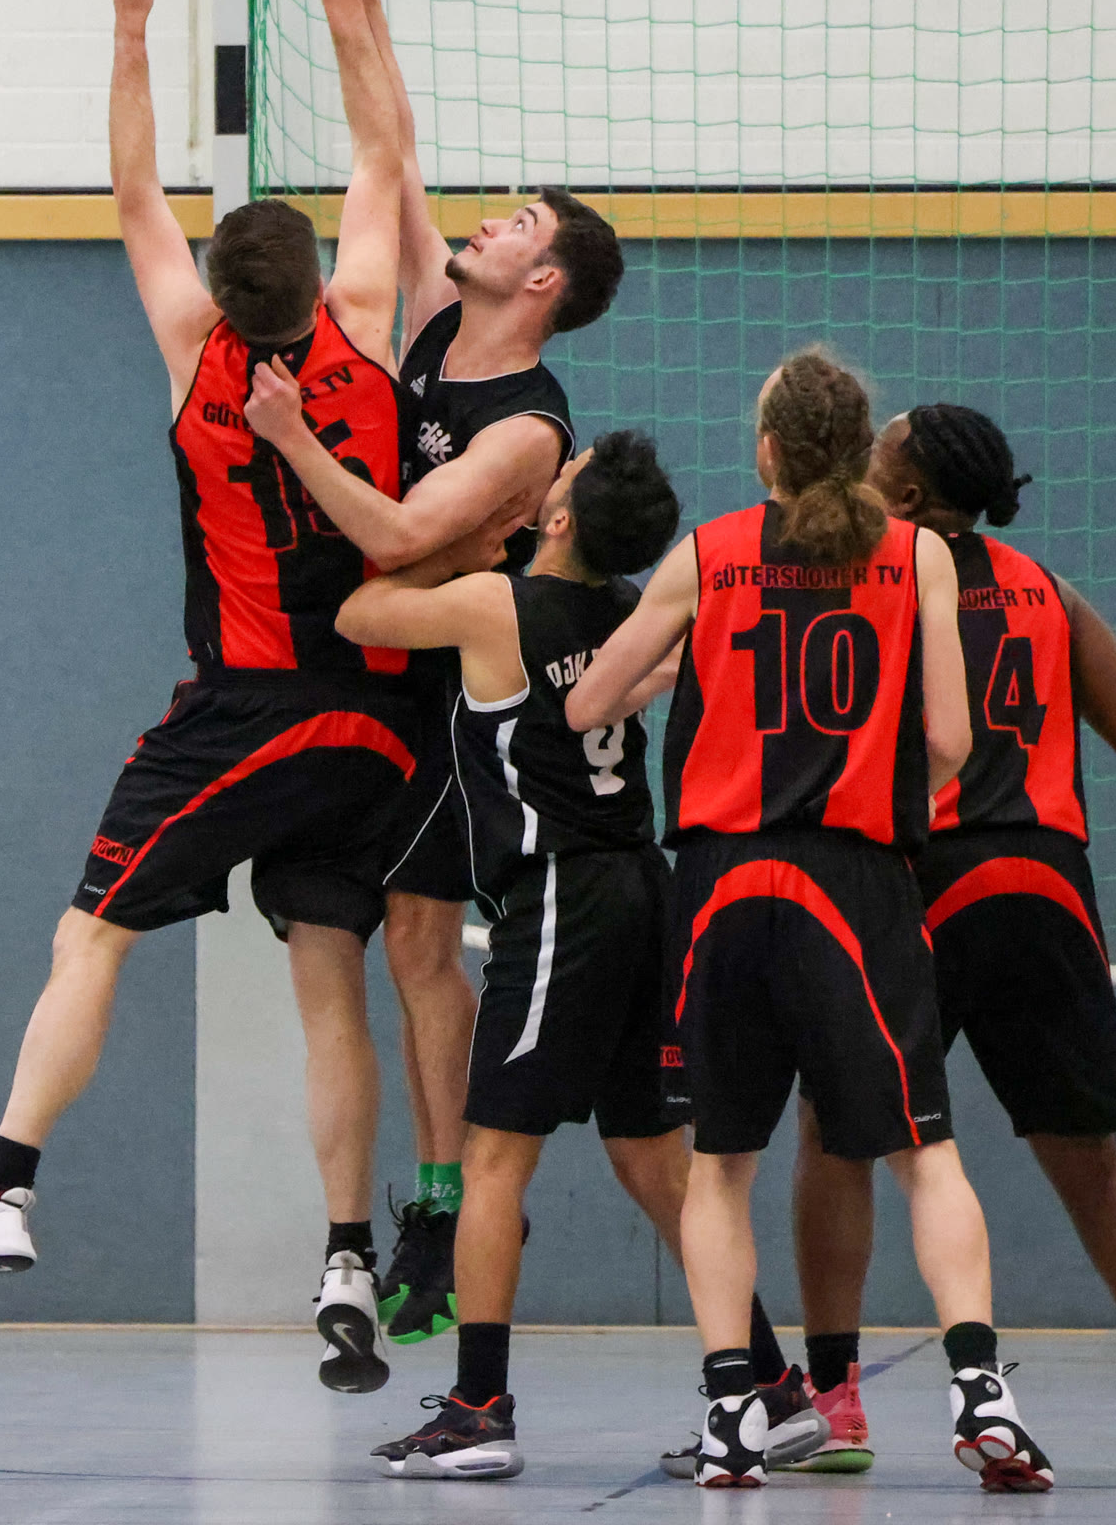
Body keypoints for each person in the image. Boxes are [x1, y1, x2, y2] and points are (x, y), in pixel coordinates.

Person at [0, 0, 417, 1396]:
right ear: (315, 281)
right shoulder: (367, 321)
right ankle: (348, 1255)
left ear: (223, 298)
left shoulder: (198, 359)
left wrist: (129, 26)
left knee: (92, 931)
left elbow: (131, 199)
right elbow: (384, 155)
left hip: (252, 707)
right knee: (330, 979)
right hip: (382, 723)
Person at [568, 349, 1053, 1493]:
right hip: (857, 878)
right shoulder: (918, 553)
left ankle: (733, 1411)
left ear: (769, 450)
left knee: (720, 1166)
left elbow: (589, 702)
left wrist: (680, 669)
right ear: (857, 449)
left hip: (724, 881)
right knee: (924, 1152)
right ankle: (979, 1386)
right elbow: (950, 741)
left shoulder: (711, 552)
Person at [244, 0, 624, 1344]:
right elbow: (388, 153)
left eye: (520, 222)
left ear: (547, 281)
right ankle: (418, 1209)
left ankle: (448, 1203)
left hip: (474, 715)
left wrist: (293, 442)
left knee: (417, 945)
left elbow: (403, 539)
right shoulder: (430, 322)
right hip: (381, 687)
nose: (491, 222)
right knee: (371, 948)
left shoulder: (526, 430)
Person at [331, 434, 822, 1479]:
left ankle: (478, 1407)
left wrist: (461, 539)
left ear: (555, 520)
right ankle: (774, 1387)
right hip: (644, 886)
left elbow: (359, 613)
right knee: (651, 1156)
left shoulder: (494, 605)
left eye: (552, 486)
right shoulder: (628, 605)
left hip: (561, 894)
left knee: (492, 1157)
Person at [791, 404, 1116, 1477]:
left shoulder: (875, 582)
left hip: (920, 883)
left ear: (906, 496)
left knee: (837, 1135)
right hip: (1045, 884)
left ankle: (836, 1402)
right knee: (1090, 1159)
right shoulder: (1048, 591)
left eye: (878, 454)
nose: (863, 465)